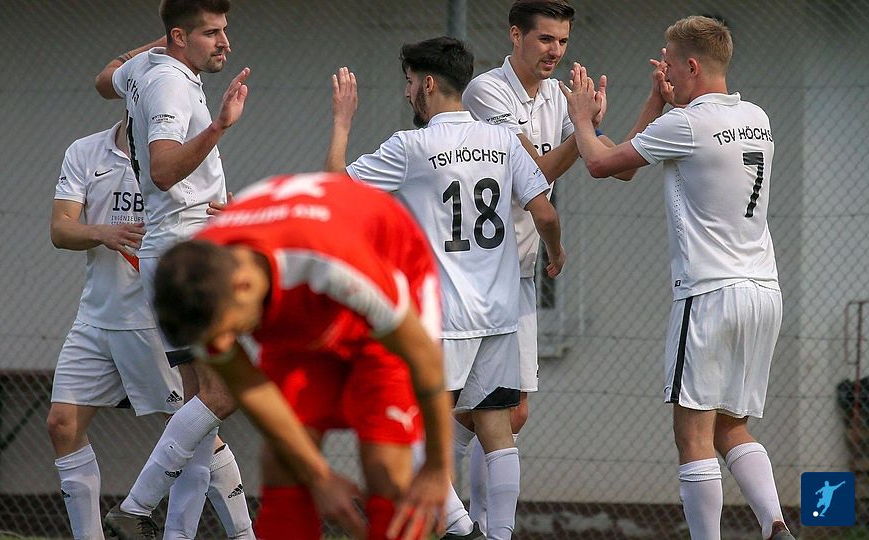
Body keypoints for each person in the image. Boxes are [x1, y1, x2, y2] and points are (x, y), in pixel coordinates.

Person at [560, 15, 792, 540]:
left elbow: (602, 165)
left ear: (691, 66)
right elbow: (632, 164)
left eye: (667, 61)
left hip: (708, 294)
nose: (661, 69)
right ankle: (776, 525)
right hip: (762, 291)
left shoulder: (687, 124)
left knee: (692, 436)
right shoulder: (756, 116)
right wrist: (657, 102)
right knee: (732, 426)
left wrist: (581, 119)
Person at [326, 36, 563, 540]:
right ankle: (499, 534)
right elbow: (544, 212)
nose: (407, 92)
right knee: (497, 430)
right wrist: (556, 253)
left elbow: (334, 190)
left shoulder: (411, 146)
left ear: (428, 83)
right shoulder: (503, 140)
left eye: (409, 81)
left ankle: (460, 529)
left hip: (444, 317)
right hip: (500, 313)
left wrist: (343, 121)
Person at [153, 172, 454, 540]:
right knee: (283, 461)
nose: (227, 345)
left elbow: (425, 360)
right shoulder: (197, 284)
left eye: (230, 332)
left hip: (381, 289)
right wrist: (319, 476)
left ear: (243, 286)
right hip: (300, 308)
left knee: (384, 465)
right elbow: (248, 384)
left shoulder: (330, 259)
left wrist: (437, 468)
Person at [460, 1, 627, 529]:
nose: (556, 51)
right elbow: (531, 173)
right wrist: (581, 129)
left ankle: (463, 509)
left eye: (563, 41)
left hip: (521, 272)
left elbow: (615, 166)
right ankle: (457, 509)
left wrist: (647, 105)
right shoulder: (486, 91)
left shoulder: (560, 96)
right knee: (492, 411)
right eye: (545, 39)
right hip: (478, 275)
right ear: (516, 35)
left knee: (511, 414)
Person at [94, 1, 254, 538]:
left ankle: (177, 534)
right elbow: (163, 170)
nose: (224, 42)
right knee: (223, 394)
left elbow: (104, 79)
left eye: (224, 30)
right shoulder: (168, 83)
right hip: (186, 253)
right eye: (211, 33)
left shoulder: (147, 66)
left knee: (199, 408)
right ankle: (135, 507)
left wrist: (161, 42)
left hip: (173, 250)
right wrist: (220, 127)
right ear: (181, 37)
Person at [46, 115, 183, 540]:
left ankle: (240, 532)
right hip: (96, 318)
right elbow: (60, 229)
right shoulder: (85, 151)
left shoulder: (179, 152)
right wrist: (101, 232)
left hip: (154, 323)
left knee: (193, 431)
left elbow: (205, 215)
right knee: (62, 424)